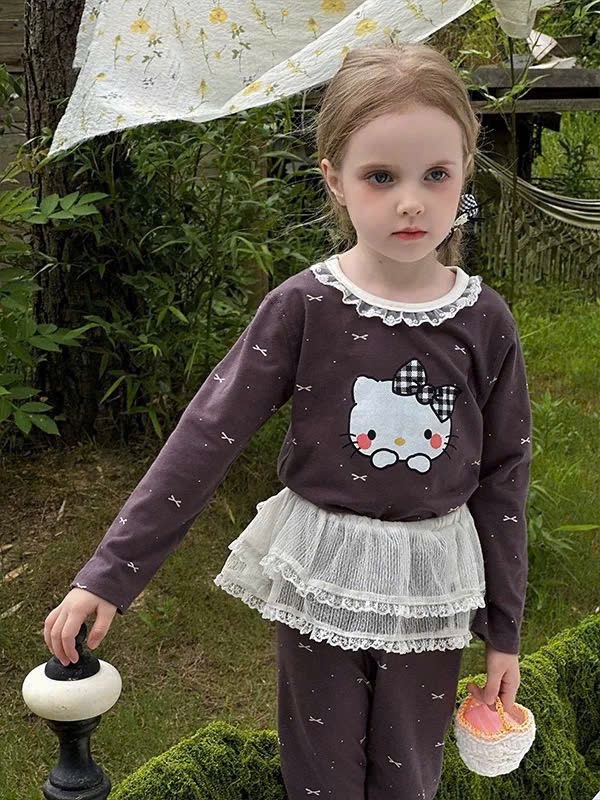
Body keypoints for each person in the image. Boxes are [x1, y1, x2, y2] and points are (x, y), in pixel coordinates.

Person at [44, 42, 531, 800]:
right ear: (335, 179)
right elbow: (206, 439)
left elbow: (504, 479)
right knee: (320, 774)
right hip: (322, 571)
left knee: (409, 776)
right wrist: (109, 575)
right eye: (381, 176)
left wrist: (504, 630)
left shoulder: (484, 320)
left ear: (466, 171)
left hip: (432, 583)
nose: (411, 202)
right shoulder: (304, 307)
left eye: (436, 174)